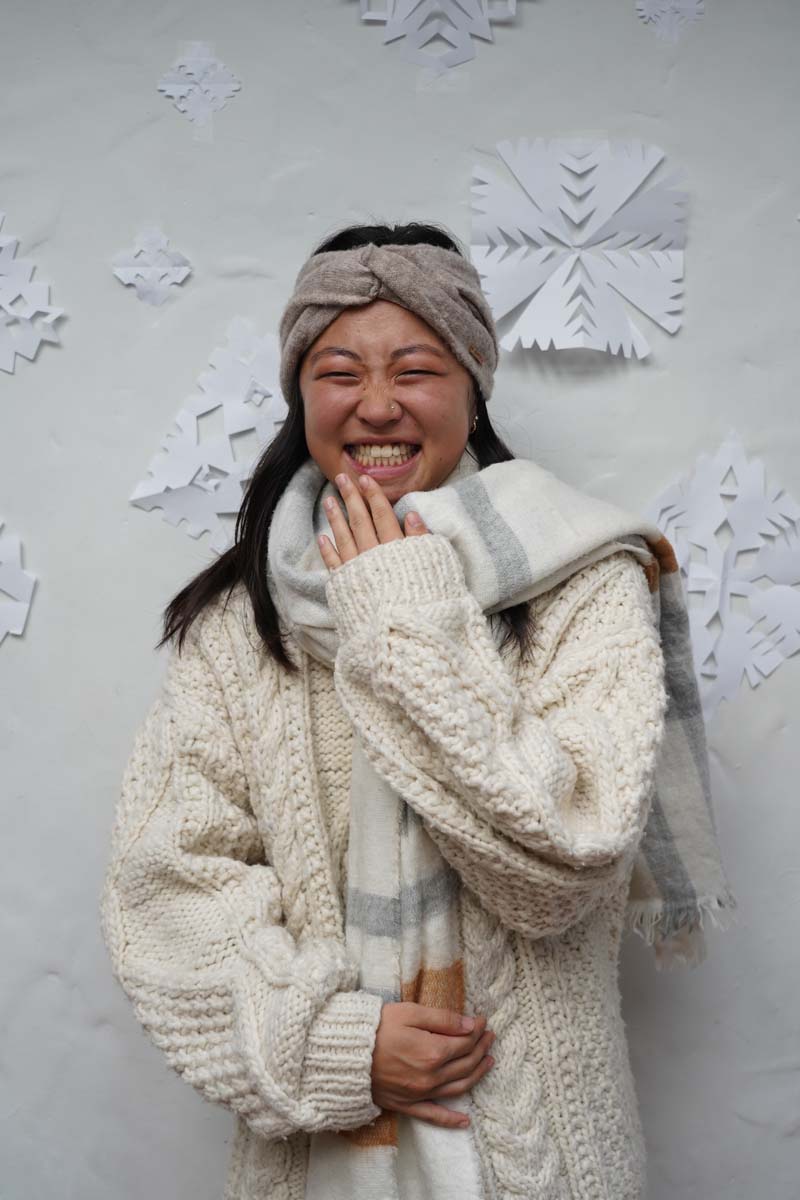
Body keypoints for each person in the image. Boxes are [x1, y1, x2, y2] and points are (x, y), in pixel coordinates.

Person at [100, 221, 672, 1200]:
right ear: (298, 393)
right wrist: (334, 1043)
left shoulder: (586, 582)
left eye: (413, 368)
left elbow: (565, 861)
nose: (374, 406)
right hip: (313, 1163)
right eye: (336, 371)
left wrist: (399, 614)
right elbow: (163, 890)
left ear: (469, 387)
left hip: (547, 1165)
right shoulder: (245, 620)